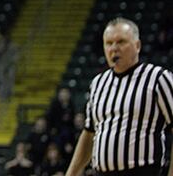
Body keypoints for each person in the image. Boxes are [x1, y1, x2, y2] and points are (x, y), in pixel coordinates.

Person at [65, 18, 173, 176]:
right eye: (108, 43)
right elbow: (89, 134)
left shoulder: (158, 78)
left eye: (121, 42)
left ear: (137, 46)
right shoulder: (98, 83)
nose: (114, 48)